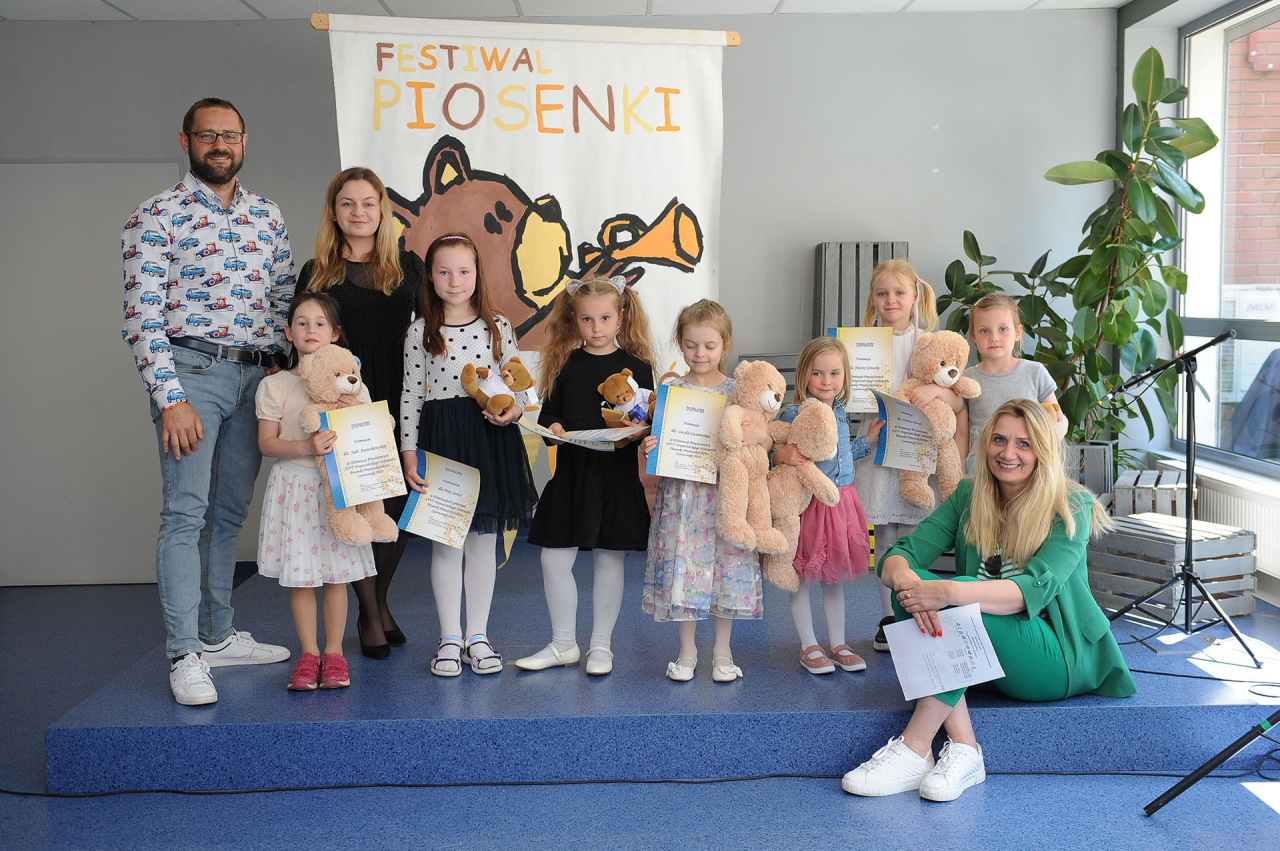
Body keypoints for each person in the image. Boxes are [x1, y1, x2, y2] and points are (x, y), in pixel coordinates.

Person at [843, 400, 1135, 802]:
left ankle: (914, 746)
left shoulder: (1071, 505)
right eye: (999, 440)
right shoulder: (969, 492)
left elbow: (1030, 590)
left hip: (1054, 657)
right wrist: (909, 582)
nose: (1007, 453)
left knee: (951, 592)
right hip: (982, 651)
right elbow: (901, 554)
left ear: (1043, 450)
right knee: (910, 588)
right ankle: (965, 748)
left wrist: (947, 592)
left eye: (1023, 444)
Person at [122, 97, 292, 707]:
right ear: (186, 141)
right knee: (185, 513)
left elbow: (281, 297)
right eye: (207, 135)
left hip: (255, 381)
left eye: (230, 135)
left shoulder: (267, 215)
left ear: (245, 141)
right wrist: (170, 398)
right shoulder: (156, 215)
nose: (220, 144)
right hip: (191, 374)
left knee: (228, 514)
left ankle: (217, 636)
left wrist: (279, 372)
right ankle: (184, 653)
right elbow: (141, 316)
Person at [294, 167, 424, 659]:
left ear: (383, 210)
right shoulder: (317, 271)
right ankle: (370, 613)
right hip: (345, 402)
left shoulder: (408, 265)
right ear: (334, 212)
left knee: (399, 504)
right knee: (357, 504)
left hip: (401, 393)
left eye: (369, 203)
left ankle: (379, 600)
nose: (358, 212)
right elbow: (306, 338)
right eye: (347, 203)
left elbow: (435, 327)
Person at [400, 233, 537, 677]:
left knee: (482, 543)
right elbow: (410, 394)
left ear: (477, 274)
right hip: (443, 441)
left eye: (463, 271)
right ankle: (449, 638)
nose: (454, 281)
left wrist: (515, 410)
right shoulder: (420, 331)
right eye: (444, 272)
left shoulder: (498, 325)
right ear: (429, 276)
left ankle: (477, 636)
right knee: (447, 543)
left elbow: (518, 382)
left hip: (488, 439)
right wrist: (408, 451)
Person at [515, 276, 656, 676]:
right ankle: (563, 644)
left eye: (605, 318)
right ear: (574, 320)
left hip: (615, 478)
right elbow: (550, 415)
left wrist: (639, 432)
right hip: (572, 477)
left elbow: (646, 417)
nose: (596, 328)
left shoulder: (638, 367)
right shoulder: (565, 363)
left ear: (621, 317)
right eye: (587, 319)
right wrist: (554, 429)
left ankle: (600, 647)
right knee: (553, 559)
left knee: (609, 561)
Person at [256, 293, 375, 690]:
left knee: (336, 577)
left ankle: (335, 653)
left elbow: (370, 437)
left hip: (338, 490)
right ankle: (308, 655)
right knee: (302, 579)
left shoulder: (353, 387)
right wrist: (306, 446)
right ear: (288, 332)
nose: (311, 330)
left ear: (335, 334)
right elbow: (266, 443)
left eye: (320, 323)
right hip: (295, 489)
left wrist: (353, 410)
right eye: (302, 323)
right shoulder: (276, 385)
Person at [641, 300, 763, 683]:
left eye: (709, 345)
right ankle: (687, 650)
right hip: (682, 498)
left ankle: (723, 650)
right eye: (691, 344)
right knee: (685, 567)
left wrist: (754, 437)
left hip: (725, 497)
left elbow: (762, 440)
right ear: (680, 342)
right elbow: (659, 441)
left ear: (725, 345)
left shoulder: (738, 393)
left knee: (727, 567)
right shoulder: (671, 390)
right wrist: (650, 445)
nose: (700, 353)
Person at [849, 260, 965, 654]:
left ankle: (914, 612)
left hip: (917, 447)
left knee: (914, 535)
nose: (891, 300)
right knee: (884, 535)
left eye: (899, 292)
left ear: (915, 295)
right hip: (878, 444)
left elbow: (958, 398)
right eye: (882, 293)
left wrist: (936, 392)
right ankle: (889, 617)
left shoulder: (931, 343)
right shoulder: (860, 345)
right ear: (872, 299)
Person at [772, 337, 884, 675]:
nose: (826, 381)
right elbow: (770, 449)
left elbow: (842, 455)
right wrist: (780, 454)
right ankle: (808, 645)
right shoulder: (793, 413)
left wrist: (868, 441)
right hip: (809, 505)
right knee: (802, 576)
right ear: (804, 375)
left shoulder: (840, 412)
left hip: (840, 503)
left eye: (835, 373)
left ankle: (838, 643)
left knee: (833, 577)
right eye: (818, 373)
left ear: (845, 376)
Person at [960, 293, 1068, 464]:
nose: (994, 338)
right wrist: (960, 471)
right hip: (981, 468)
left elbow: (1058, 418)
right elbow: (961, 432)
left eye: (1003, 329)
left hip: (1027, 466)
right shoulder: (967, 379)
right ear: (974, 336)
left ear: (1018, 332)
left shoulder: (1035, 372)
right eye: (984, 331)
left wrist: (1049, 442)